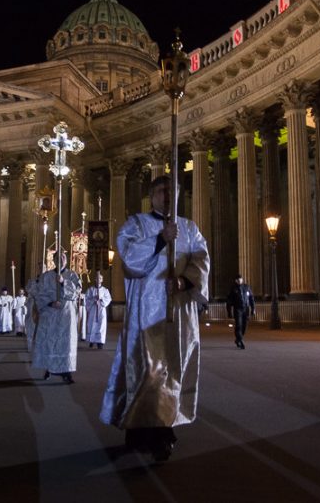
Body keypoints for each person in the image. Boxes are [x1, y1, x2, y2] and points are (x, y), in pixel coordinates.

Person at [100, 175, 210, 462]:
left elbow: (202, 259)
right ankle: (138, 429)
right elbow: (129, 258)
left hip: (178, 312)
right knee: (147, 369)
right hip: (145, 312)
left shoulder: (189, 228)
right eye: (161, 191)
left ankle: (165, 430)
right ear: (152, 195)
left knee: (173, 369)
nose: (167, 196)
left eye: (172, 191)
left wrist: (185, 282)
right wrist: (160, 239)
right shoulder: (136, 224)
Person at [32, 250, 81, 384]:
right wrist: (50, 302)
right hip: (51, 313)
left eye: (63, 257)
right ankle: (50, 368)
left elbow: (76, 292)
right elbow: (40, 294)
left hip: (66, 315)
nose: (61, 260)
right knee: (51, 341)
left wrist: (63, 282)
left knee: (65, 343)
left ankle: (67, 371)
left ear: (67, 259)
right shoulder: (46, 276)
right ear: (53, 260)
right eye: (57, 257)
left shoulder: (72, 275)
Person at [226, 274, 255, 349]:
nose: (239, 281)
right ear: (236, 281)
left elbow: (251, 298)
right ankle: (240, 340)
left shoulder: (246, 287)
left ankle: (238, 338)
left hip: (246, 309)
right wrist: (229, 312)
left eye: (240, 279)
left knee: (244, 325)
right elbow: (229, 301)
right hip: (237, 309)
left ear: (242, 280)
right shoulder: (233, 289)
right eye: (238, 280)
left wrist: (253, 309)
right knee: (238, 325)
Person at [85, 272, 112, 349]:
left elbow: (108, 299)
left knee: (101, 325)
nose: (98, 280)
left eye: (100, 278)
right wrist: (93, 299)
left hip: (101, 310)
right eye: (97, 278)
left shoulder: (105, 290)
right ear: (95, 279)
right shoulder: (90, 289)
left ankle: (100, 342)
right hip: (93, 309)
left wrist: (101, 300)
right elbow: (86, 299)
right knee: (92, 324)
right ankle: (91, 340)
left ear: (102, 280)